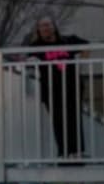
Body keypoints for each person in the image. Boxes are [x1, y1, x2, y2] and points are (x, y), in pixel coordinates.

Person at [25, 16, 87, 160]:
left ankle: (77, 152)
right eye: (42, 26)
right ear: (39, 30)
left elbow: (87, 46)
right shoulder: (36, 46)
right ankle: (63, 153)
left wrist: (81, 64)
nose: (46, 28)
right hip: (51, 88)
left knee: (74, 118)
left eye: (48, 25)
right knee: (58, 120)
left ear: (54, 27)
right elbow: (29, 60)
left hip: (72, 85)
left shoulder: (68, 40)